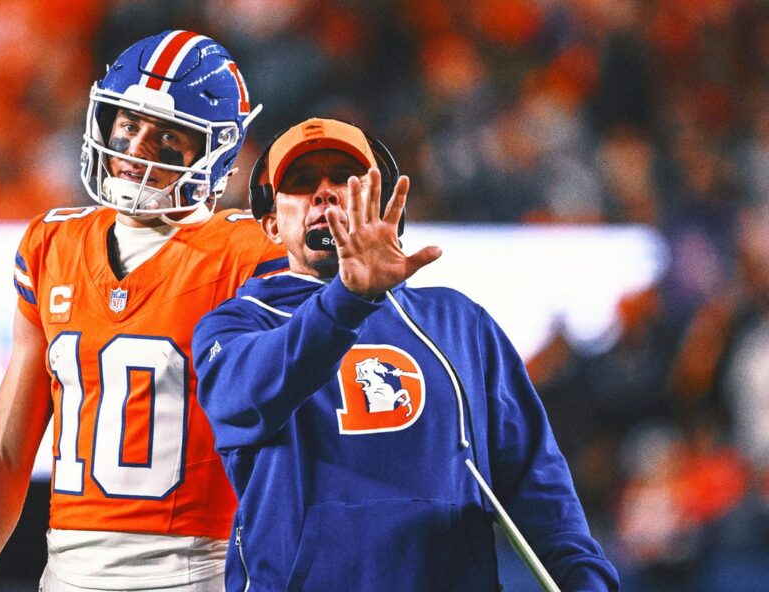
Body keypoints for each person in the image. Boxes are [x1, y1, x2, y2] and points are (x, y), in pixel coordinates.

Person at [192, 118, 621, 591]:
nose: (325, 192)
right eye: (301, 181)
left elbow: (535, 479)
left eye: (345, 178)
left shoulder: (458, 322)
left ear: (381, 204)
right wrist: (348, 300)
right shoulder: (236, 325)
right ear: (271, 223)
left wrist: (585, 578)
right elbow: (242, 400)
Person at [0, 31, 286, 592]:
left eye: (167, 135)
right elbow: (5, 446)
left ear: (216, 152)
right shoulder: (53, 245)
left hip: (197, 574)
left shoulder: (253, 255)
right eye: (128, 124)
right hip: (66, 574)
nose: (135, 147)